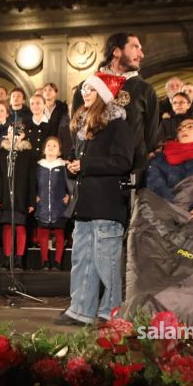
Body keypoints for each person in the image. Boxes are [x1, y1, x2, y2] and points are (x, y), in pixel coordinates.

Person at [54, 72, 134, 326]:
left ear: (103, 95)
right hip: (86, 202)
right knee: (82, 257)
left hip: (107, 202)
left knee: (106, 260)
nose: (85, 93)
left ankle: (110, 312)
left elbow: (123, 161)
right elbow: (79, 161)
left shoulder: (118, 125)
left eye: (91, 89)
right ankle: (81, 309)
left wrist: (85, 164)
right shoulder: (83, 127)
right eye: (84, 89)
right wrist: (72, 167)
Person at [72, 33, 158, 173]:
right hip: (91, 173)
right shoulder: (86, 87)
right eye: (135, 47)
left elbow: (150, 136)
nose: (141, 54)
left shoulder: (145, 90)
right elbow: (76, 129)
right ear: (116, 51)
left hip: (131, 173)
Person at [0, 124, 36, 270]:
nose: (13, 135)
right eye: (10, 132)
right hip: (5, 196)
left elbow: (32, 178)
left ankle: (19, 259)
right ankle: (7, 257)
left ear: (22, 135)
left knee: (20, 227)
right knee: (7, 227)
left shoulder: (28, 154)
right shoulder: (1, 153)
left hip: (21, 197)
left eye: (17, 133)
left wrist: (31, 200)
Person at [34, 136, 69, 270]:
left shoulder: (63, 166)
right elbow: (34, 183)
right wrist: (34, 196)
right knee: (43, 232)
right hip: (43, 204)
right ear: (44, 149)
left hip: (58, 205)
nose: (51, 148)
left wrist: (69, 196)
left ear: (59, 151)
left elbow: (70, 184)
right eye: (48, 145)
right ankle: (44, 261)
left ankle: (57, 262)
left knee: (59, 232)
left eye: (55, 146)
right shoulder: (39, 166)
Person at [26, 94, 50, 161]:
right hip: (27, 161)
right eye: (32, 104)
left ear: (45, 105)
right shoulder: (25, 124)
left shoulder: (51, 125)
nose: (35, 106)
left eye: (38, 103)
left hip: (44, 161)